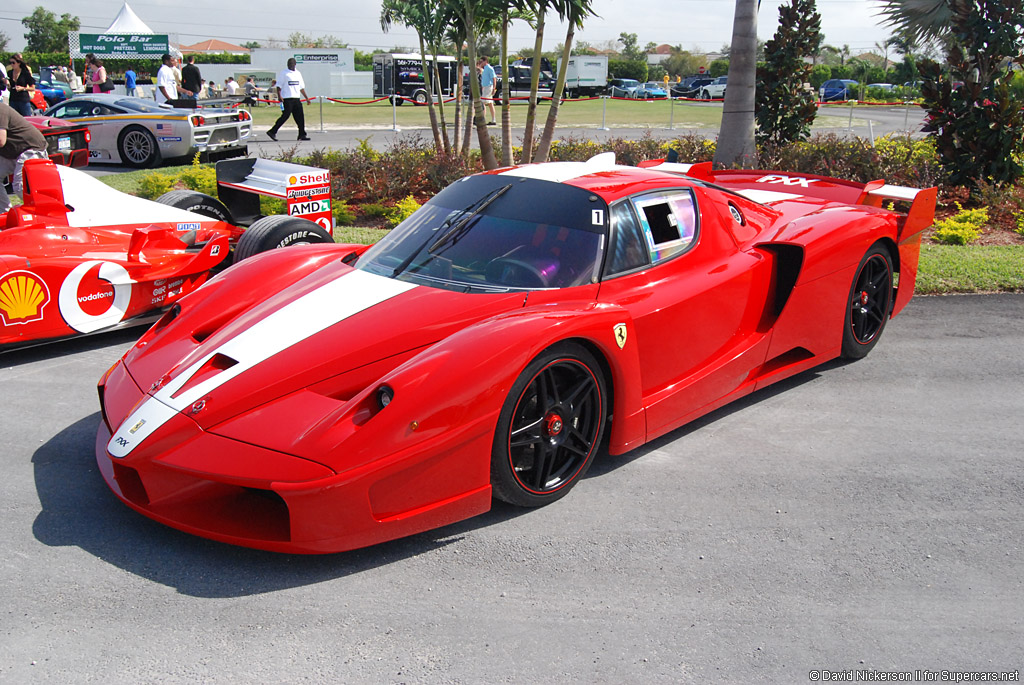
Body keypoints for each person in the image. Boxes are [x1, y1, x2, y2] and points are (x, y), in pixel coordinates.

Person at [0, 101, 48, 214]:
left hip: (31, 148)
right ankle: (4, 216)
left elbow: (1, 140)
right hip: (13, 152)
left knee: (21, 186)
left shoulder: (1, 110)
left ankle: (44, 212)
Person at [266, 58, 310, 141]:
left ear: (295, 64)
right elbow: (279, 86)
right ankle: (272, 131)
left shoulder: (298, 73)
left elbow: (301, 87)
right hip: (287, 98)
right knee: (285, 116)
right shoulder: (284, 73)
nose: (290, 65)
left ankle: (302, 134)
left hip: (296, 98)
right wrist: (280, 96)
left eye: (292, 64)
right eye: (289, 64)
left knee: (300, 117)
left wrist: (306, 98)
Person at [479, 56, 496, 125]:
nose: (481, 63)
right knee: (490, 103)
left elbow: (494, 78)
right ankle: (493, 119)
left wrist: (494, 88)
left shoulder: (489, 68)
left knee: (483, 103)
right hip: (485, 87)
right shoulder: (484, 69)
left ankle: (483, 119)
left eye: (482, 61)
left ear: (485, 61)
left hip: (488, 87)